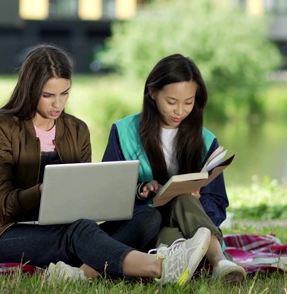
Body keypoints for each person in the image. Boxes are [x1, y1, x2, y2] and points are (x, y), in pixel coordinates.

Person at [0, 44, 212, 285]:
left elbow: (88, 197)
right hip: (11, 234)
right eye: (48, 95)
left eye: (65, 93)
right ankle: (158, 267)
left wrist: (137, 192)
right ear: (29, 89)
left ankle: (81, 272)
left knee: (147, 217)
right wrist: (41, 192)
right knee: (79, 231)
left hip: (71, 230)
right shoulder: (1, 127)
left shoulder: (77, 129)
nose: (58, 104)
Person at [102, 53, 248, 284]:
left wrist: (200, 202)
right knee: (173, 231)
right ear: (152, 93)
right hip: (144, 225)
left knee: (185, 200)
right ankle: (218, 260)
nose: (180, 111)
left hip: (187, 225)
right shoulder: (123, 132)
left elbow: (218, 202)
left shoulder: (206, 140)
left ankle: (213, 262)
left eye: (188, 102)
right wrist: (141, 191)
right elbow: (108, 193)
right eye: (172, 102)